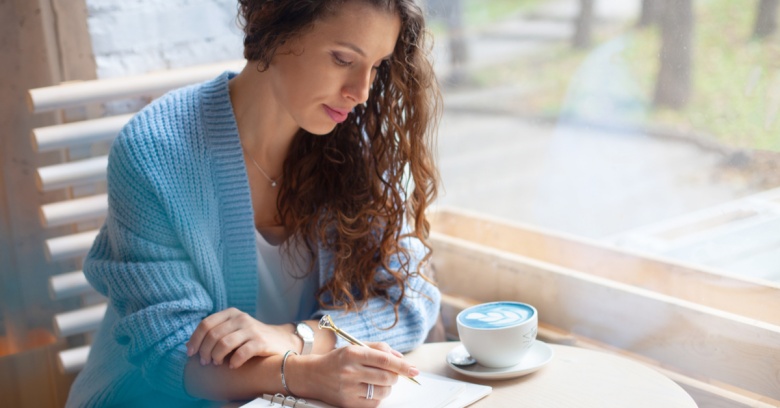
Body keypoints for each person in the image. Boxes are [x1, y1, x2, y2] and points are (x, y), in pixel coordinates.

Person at [65, 0, 442, 406]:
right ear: (276, 28)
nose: (361, 92)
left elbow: (412, 298)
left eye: (377, 66)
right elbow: (168, 350)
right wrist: (300, 374)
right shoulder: (156, 151)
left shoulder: (356, 148)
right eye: (342, 58)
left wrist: (297, 337)